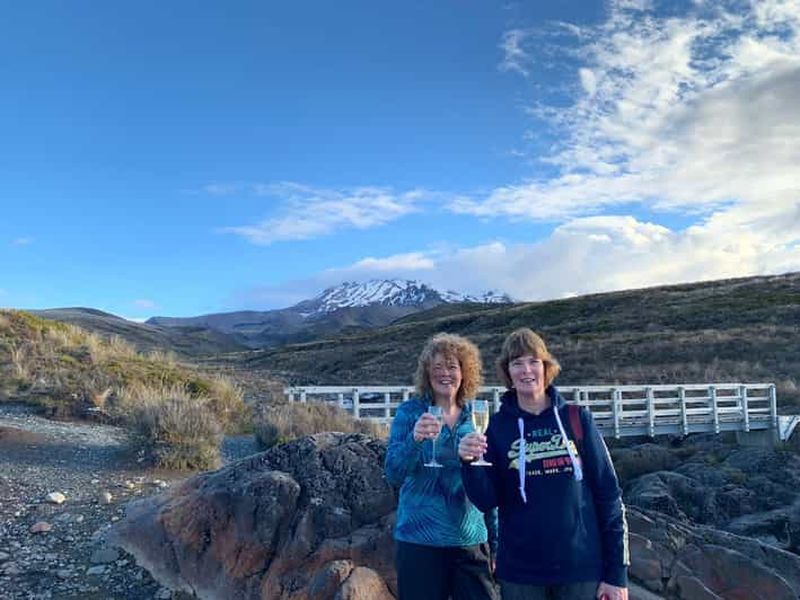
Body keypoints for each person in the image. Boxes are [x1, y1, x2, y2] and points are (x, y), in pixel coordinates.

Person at [458, 328, 629, 600]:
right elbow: (486, 500)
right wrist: (468, 463)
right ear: (508, 373)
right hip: (521, 575)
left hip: (581, 570)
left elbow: (609, 495)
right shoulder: (498, 428)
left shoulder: (577, 418)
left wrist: (616, 574)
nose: (526, 370)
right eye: (517, 363)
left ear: (546, 367)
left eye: (533, 361)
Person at [385, 333, 499, 600]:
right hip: (419, 541)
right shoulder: (410, 412)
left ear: (465, 372)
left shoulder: (476, 416)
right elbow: (393, 472)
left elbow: (489, 483)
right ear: (427, 373)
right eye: (437, 367)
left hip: (470, 539)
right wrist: (414, 439)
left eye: (452, 366)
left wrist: (496, 542)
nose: (444, 374)